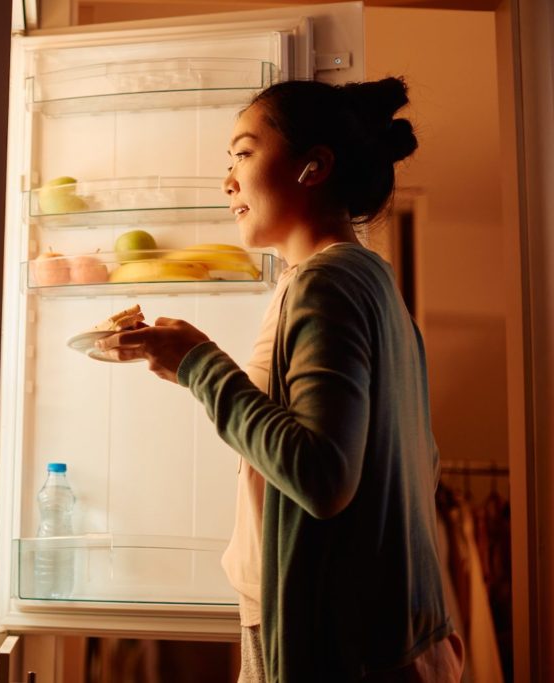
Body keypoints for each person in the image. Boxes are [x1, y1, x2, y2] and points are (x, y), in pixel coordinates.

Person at [97, 77, 465, 682]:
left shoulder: (326, 284)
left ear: (312, 167)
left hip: (340, 646)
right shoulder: (372, 284)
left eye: (244, 152)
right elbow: (416, 464)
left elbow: (323, 476)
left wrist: (199, 365)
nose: (228, 180)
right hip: (387, 634)